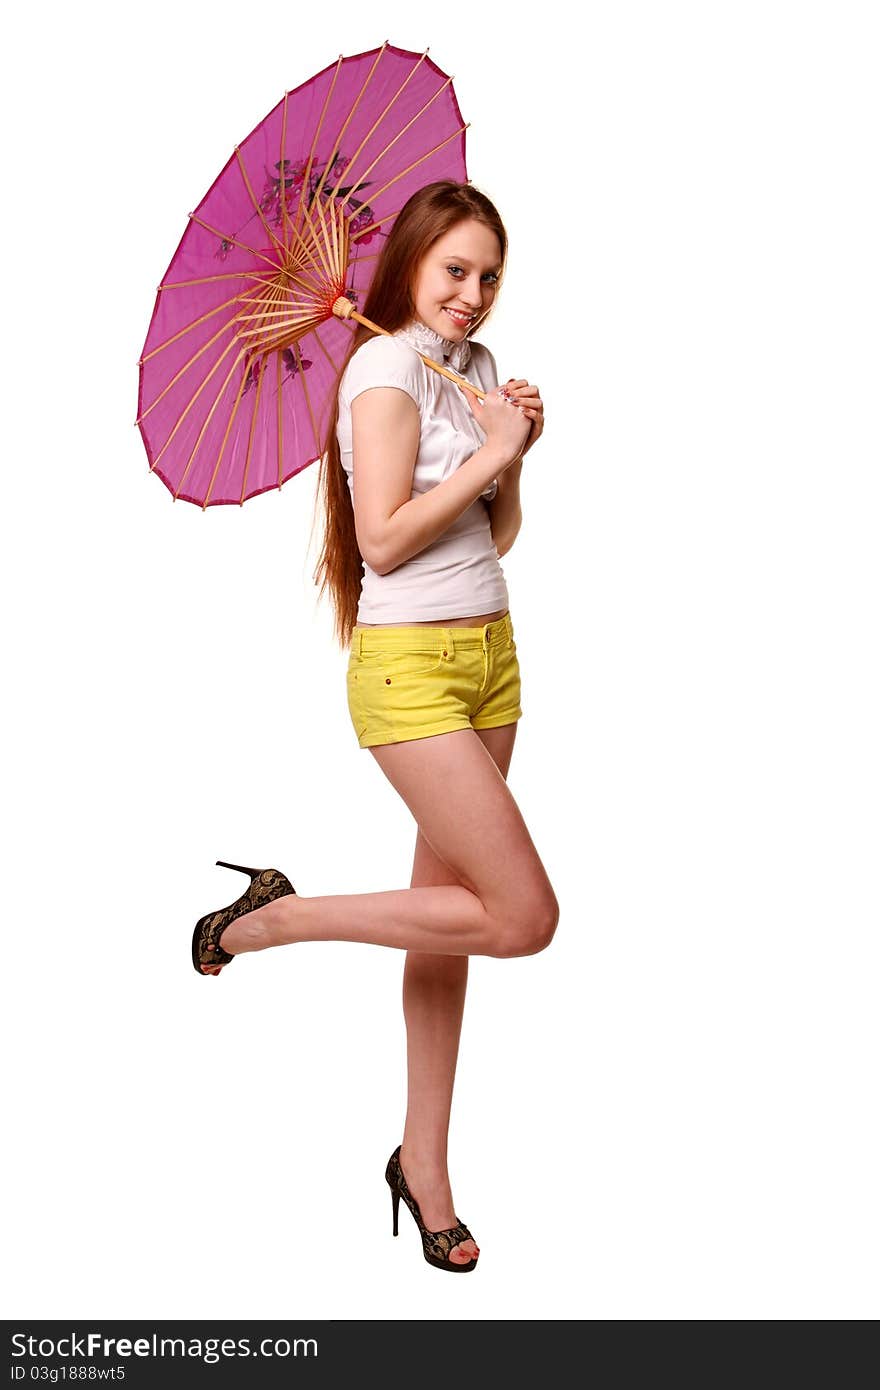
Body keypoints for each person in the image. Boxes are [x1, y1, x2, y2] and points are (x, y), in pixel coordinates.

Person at [191, 180, 559, 1273]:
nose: (472, 295)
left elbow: (500, 530)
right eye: (454, 271)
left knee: (454, 927)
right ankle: (278, 920)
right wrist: (491, 454)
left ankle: (423, 1162)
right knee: (521, 915)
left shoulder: (477, 370)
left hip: (490, 656)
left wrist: (516, 447)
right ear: (408, 264)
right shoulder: (383, 371)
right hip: (409, 676)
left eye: (488, 276)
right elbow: (387, 541)